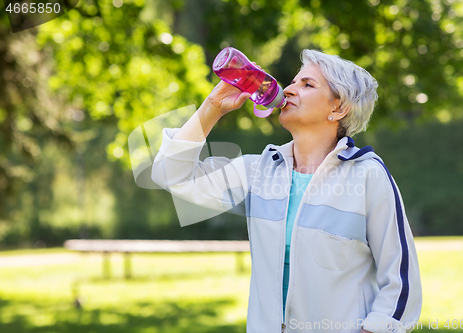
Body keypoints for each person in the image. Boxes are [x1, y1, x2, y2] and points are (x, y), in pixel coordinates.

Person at [151, 49, 422, 333]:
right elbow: (172, 174)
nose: (289, 89)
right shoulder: (258, 173)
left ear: (339, 108)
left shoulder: (368, 175)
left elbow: (401, 280)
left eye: (307, 84)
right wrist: (213, 106)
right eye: (292, 82)